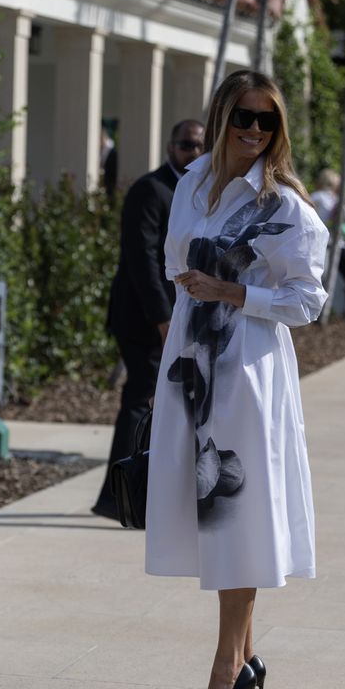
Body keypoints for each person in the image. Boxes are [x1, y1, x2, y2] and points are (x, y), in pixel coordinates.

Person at [146, 70, 328, 689]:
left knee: (236, 511)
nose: (255, 131)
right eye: (245, 118)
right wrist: (200, 288)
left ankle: (227, 665)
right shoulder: (192, 181)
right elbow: (172, 259)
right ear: (221, 116)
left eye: (268, 122)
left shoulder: (284, 206)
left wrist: (234, 294)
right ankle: (245, 658)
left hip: (247, 367)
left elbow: (308, 302)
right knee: (208, 508)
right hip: (191, 363)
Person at [92, 118, 205, 521]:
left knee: (166, 404)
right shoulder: (150, 190)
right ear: (170, 146)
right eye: (186, 145)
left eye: (199, 146)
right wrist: (163, 320)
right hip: (143, 317)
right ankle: (120, 498)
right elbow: (142, 261)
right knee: (141, 401)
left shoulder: (198, 191)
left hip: (179, 316)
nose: (193, 153)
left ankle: (140, 495)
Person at [309, 168, 345, 318]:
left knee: (319, 280)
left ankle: (319, 313)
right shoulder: (329, 198)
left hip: (324, 244)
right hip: (331, 245)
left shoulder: (317, 197)